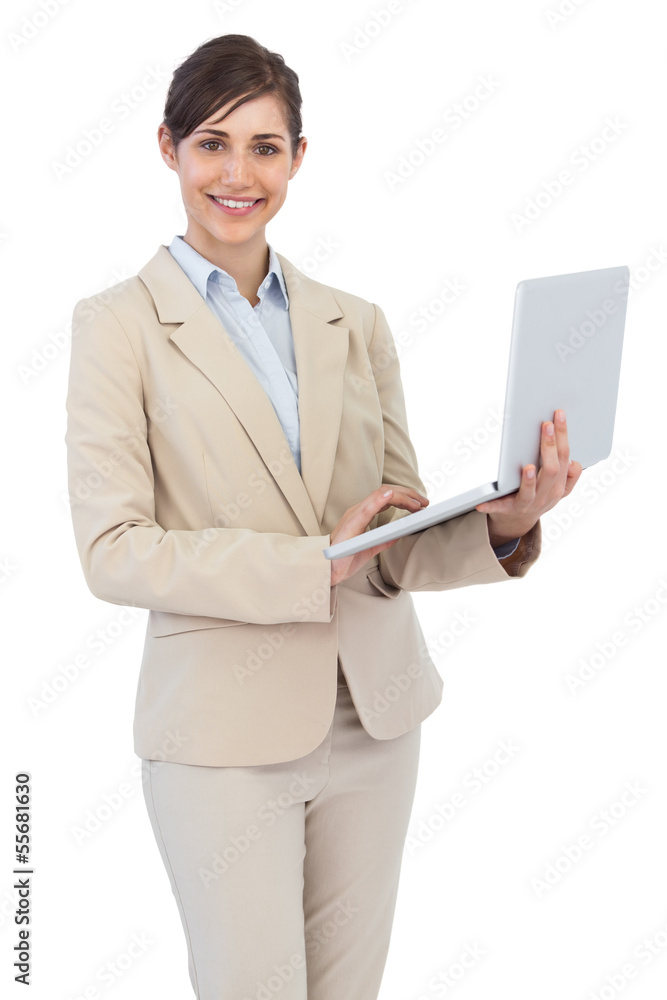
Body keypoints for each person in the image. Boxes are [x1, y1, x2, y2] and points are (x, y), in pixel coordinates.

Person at [65, 33, 581, 1000]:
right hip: (223, 739)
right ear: (168, 147)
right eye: (212, 144)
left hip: (374, 720)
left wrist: (506, 522)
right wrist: (312, 563)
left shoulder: (356, 322)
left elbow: (390, 541)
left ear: (298, 158)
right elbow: (114, 551)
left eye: (264, 147)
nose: (237, 174)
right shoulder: (117, 327)